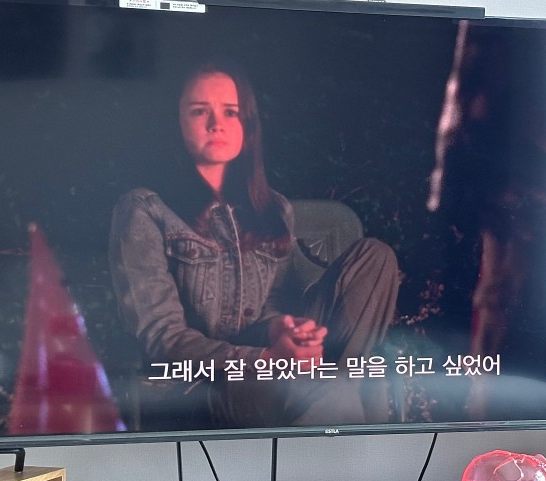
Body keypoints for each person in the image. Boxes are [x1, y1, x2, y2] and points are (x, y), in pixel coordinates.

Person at [108, 61, 399, 429]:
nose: (217, 124)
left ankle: (330, 383)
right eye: (200, 111)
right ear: (175, 121)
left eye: (231, 112)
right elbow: (163, 338)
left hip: (275, 366)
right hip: (201, 383)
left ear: (247, 124)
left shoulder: (273, 208)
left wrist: (281, 330)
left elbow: (267, 309)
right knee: (342, 390)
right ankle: (332, 392)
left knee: (375, 257)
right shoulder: (144, 209)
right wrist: (266, 357)